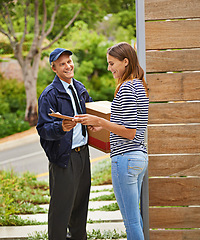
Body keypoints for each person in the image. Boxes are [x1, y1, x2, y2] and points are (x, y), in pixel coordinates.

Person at [73, 42, 149, 240]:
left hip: (125, 159)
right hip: (138, 157)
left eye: (112, 63)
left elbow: (130, 132)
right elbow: (129, 123)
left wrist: (100, 121)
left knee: (130, 222)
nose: (109, 68)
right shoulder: (140, 85)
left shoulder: (126, 87)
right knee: (135, 219)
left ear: (125, 62)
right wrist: (103, 126)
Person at [36, 48, 93, 240]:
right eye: (62, 64)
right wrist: (61, 127)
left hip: (83, 155)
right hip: (63, 158)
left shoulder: (79, 88)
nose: (68, 66)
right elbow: (43, 129)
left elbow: (90, 111)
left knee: (80, 207)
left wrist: (93, 124)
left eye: (69, 61)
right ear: (54, 68)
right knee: (61, 210)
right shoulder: (49, 95)